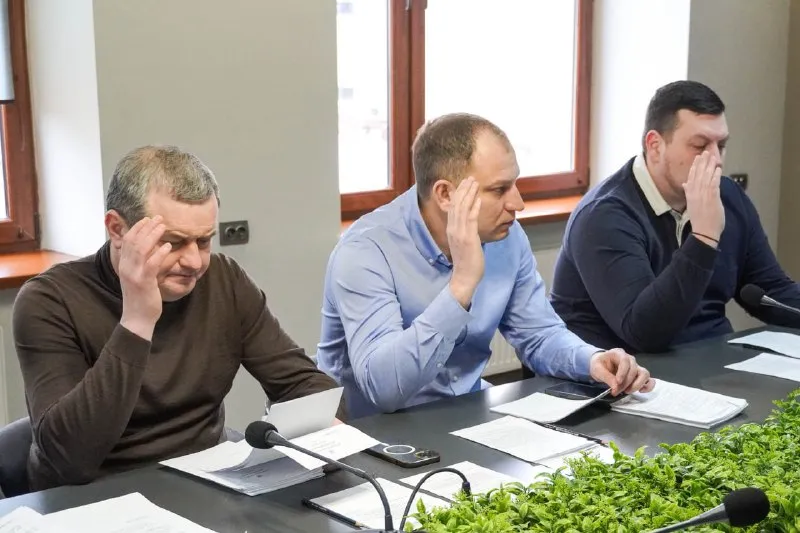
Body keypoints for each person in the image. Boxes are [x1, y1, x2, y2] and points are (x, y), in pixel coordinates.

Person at [13, 145, 344, 491]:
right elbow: (69, 458)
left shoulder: (224, 280)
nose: (194, 262)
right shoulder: (50, 301)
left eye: (203, 241)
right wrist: (137, 321)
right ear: (117, 229)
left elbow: (301, 383)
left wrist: (322, 425)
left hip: (201, 480)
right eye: (173, 242)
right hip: (91, 494)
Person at [316, 112, 654, 419]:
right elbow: (385, 391)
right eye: (499, 189)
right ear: (445, 195)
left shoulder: (506, 237)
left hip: (466, 416)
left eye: (515, 184)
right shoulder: (365, 252)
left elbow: (539, 334)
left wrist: (591, 360)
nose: (518, 203)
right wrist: (461, 285)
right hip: (374, 434)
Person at [551, 80, 800, 354]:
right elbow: (644, 333)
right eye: (700, 146)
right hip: (626, 369)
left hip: (710, 360)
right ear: (655, 146)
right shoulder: (604, 216)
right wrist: (704, 238)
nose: (716, 160)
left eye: (721, 145)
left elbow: (771, 291)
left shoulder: (728, 197)